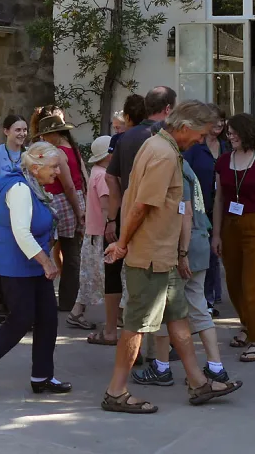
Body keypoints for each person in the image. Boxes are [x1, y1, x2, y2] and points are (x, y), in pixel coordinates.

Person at [101, 101, 242, 413]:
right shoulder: (164, 153)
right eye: (201, 135)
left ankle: (198, 382)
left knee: (178, 318)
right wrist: (122, 243)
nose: (201, 141)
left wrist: (179, 252)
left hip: (163, 254)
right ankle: (116, 392)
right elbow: (141, 205)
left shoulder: (162, 148)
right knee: (136, 325)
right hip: (150, 255)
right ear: (185, 128)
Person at [0, 142, 73, 398]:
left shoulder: (33, 186)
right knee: (21, 319)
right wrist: (47, 262)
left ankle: (42, 376)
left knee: (47, 319)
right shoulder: (20, 189)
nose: (58, 171)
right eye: (53, 166)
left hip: (32, 265)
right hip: (16, 267)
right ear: (35, 167)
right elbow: (21, 233)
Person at [129, 151, 232, 388]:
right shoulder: (186, 166)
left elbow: (183, 212)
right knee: (198, 307)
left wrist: (181, 252)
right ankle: (216, 366)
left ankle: (162, 367)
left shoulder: (173, 168)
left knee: (165, 308)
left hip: (183, 246)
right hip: (199, 241)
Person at [102, 86, 175, 342]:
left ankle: (113, 330)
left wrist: (113, 216)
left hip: (125, 213)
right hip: (157, 220)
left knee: (120, 275)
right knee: (157, 282)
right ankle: (157, 349)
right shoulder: (167, 138)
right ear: (168, 109)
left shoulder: (127, 138)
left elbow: (110, 177)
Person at [212, 112, 255, 362]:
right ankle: (246, 325)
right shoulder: (222, 161)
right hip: (230, 226)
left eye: (233, 132)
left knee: (252, 285)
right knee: (234, 283)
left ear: (246, 132)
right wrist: (216, 234)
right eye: (228, 132)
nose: (229, 136)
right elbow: (218, 199)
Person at [31, 107, 85, 317]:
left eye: (45, 135)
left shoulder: (60, 153)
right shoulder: (72, 148)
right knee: (69, 250)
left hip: (62, 201)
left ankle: (66, 299)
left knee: (67, 252)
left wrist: (77, 209)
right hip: (71, 200)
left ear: (54, 133)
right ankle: (67, 298)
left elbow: (69, 186)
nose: (43, 139)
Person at [0, 114, 29, 323]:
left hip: (22, 217)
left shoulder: (28, 155)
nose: (22, 134)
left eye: (25, 130)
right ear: (6, 131)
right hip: (0, 217)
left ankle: (17, 305)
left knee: (19, 260)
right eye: (18, 130)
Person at [182, 115, 227, 315]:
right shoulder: (195, 147)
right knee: (205, 253)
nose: (219, 124)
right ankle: (205, 301)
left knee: (216, 252)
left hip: (220, 205)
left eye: (222, 121)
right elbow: (186, 173)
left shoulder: (226, 146)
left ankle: (213, 296)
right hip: (199, 206)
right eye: (215, 120)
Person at [75, 135, 111, 336]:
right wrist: (112, 226)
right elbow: (106, 206)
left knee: (89, 276)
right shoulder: (104, 176)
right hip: (101, 234)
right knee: (105, 277)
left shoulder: (95, 172)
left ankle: (77, 311)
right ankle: (116, 316)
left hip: (92, 232)